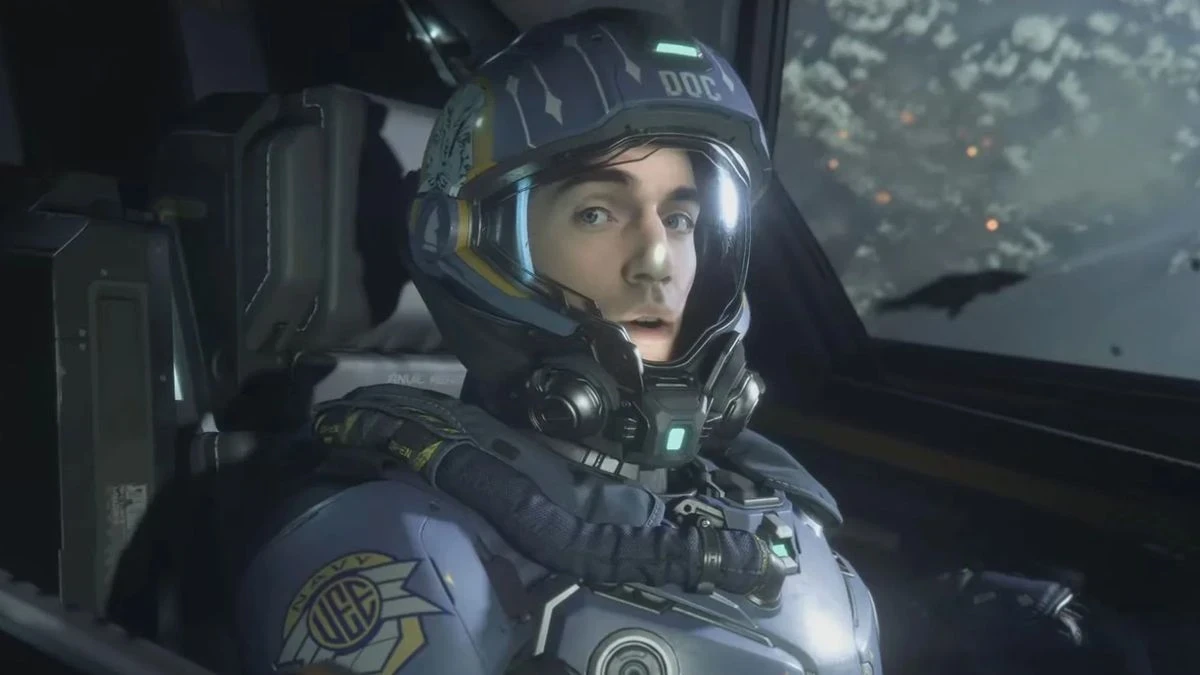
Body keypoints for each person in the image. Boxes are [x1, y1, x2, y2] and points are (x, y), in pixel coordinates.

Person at [228, 8, 881, 675]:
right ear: (474, 245)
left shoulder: (782, 518)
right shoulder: (400, 550)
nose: (657, 259)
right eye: (596, 213)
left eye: (681, 218)